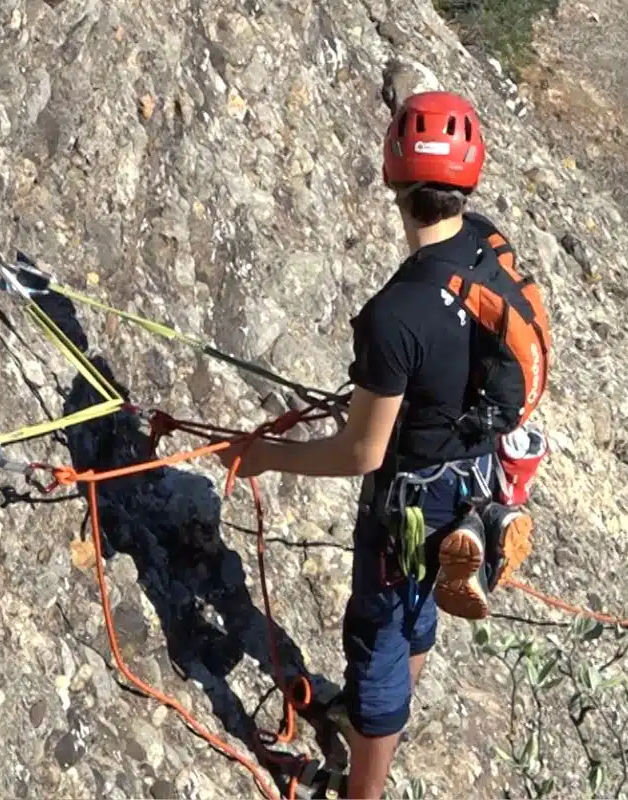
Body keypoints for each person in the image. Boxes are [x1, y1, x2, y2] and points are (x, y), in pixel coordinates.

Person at [217, 90, 540, 799]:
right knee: (418, 609)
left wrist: (263, 454)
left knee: (378, 637)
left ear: (392, 170)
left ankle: (364, 782)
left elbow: (360, 452)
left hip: (407, 500)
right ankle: (380, 717)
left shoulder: (395, 316)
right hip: (471, 475)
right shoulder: (483, 243)